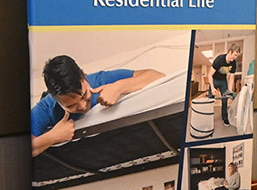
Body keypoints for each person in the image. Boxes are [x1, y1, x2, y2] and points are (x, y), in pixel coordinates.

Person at [31, 55, 163, 157]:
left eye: (84, 96)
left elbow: (158, 76)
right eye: (71, 106)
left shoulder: (101, 80)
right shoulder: (47, 107)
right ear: (56, 100)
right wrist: (52, 137)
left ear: (85, 77)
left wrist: (120, 87)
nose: (82, 106)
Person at [207, 44, 241, 126]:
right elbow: (209, 75)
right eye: (235, 55)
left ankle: (225, 117)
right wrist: (212, 87)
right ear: (230, 52)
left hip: (223, 81)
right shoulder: (219, 60)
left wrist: (228, 91)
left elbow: (231, 78)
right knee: (211, 99)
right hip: (214, 80)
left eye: (237, 55)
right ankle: (208, 116)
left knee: (225, 99)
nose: (235, 57)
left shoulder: (233, 63)